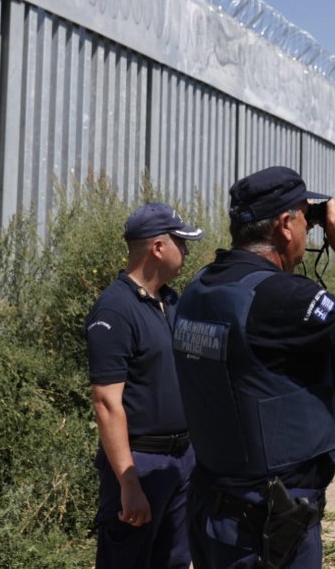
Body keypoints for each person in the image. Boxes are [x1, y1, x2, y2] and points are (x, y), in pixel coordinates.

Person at [172, 166, 335, 569]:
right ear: (284, 224)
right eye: (304, 220)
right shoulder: (281, 297)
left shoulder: (201, 287)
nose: (307, 233)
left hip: (213, 509)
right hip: (268, 527)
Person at [84, 202, 205, 569]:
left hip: (182, 460)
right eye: (181, 243)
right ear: (157, 247)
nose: (186, 251)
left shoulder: (171, 301)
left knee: (176, 559)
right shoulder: (114, 310)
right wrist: (128, 481)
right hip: (141, 462)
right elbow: (107, 404)